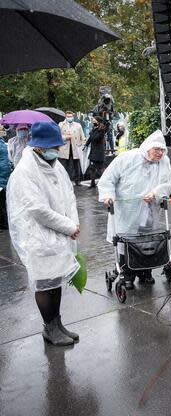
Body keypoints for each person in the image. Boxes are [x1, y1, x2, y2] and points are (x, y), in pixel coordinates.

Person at [6, 121, 81, 346]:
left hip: (59, 234)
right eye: (52, 147)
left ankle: (57, 324)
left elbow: (69, 194)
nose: (56, 151)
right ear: (38, 146)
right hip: (37, 237)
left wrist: (74, 224)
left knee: (56, 280)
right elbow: (37, 210)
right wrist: (69, 227)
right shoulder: (25, 171)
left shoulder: (54, 164)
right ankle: (49, 328)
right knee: (44, 282)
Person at [98, 130, 171, 290]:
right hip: (126, 210)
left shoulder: (164, 161)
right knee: (126, 240)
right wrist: (107, 195)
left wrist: (156, 193)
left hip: (149, 209)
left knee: (147, 239)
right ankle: (127, 274)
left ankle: (145, 273)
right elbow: (108, 178)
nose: (160, 153)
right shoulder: (127, 158)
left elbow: (170, 182)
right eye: (157, 150)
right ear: (148, 147)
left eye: (162, 150)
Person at [58, 111, 86, 186]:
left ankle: (77, 181)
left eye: (71, 116)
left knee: (76, 165)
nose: (69, 118)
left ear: (73, 117)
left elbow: (82, 136)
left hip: (75, 147)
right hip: (65, 148)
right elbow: (58, 135)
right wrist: (66, 137)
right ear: (65, 117)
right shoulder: (61, 124)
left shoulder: (78, 125)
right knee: (64, 166)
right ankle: (65, 181)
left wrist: (83, 144)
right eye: (68, 116)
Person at [84, 117, 107, 188]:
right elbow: (90, 138)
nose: (93, 122)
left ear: (99, 122)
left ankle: (105, 183)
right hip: (93, 152)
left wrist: (91, 132)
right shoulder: (94, 129)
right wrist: (86, 145)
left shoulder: (101, 130)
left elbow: (96, 138)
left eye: (95, 121)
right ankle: (92, 183)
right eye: (93, 121)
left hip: (99, 152)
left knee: (101, 168)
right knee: (92, 168)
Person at [0, 131, 10, 230]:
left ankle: (4, 223)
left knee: (2, 203)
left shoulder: (1, 142)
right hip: (2, 177)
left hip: (3, 178)